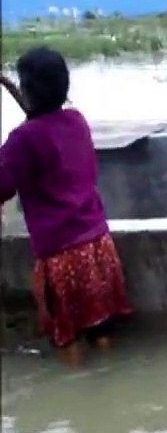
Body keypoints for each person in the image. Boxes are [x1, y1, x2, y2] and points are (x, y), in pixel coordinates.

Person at [0, 47, 133, 364]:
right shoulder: (75, 121)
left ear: (29, 90)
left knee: (67, 335)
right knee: (100, 327)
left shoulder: (23, 140)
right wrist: (8, 84)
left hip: (62, 258)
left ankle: (78, 384)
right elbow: (42, 124)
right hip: (98, 248)